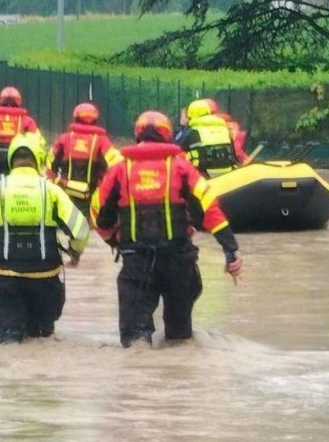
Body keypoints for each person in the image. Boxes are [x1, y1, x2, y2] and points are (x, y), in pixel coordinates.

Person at [91, 110, 243, 348]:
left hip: (136, 263)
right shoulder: (181, 168)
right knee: (179, 337)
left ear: (137, 135)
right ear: (168, 136)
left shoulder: (120, 170)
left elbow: (99, 216)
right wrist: (230, 250)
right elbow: (209, 210)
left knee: (135, 339)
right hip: (178, 262)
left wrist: (115, 241)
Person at [0, 133, 90, 344]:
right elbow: (82, 230)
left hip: (5, 277)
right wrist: (74, 252)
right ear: (38, 159)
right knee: (42, 340)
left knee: (8, 342)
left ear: (11, 159)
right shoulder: (52, 191)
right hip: (46, 279)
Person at [45, 102, 122, 214]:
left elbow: (50, 163)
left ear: (75, 118)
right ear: (95, 119)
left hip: (66, 195)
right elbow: (114, 165)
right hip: (92, 197)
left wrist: (58, 182)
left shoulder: (64, 138)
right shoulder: (102, 140)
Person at [174, 98, 238, 177]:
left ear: (191, 115)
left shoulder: (193, 131)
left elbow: (177, 148)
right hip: (228, 172)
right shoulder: (224, 129)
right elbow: (233, 153)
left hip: (204, 175)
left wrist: (182, 127)